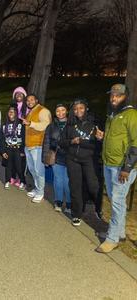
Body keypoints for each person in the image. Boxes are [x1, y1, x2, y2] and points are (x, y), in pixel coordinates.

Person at [95, 84, 137, 253]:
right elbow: (117, 138)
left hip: (122, 167)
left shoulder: (131, 115)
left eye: (118, 96)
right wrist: (102, 137)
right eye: (112, 95)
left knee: (118, 202)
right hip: (109, 163)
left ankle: (112, 239)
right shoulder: (113, 114)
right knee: (115, 200)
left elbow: (135, 143)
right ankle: (119, 233)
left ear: (125, 96)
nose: (113, 98)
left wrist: (127, 167)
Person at [60, 99, 99, 227]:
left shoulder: (94, 123)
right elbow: (62, 142)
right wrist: (72, 142)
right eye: (76, 109)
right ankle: (77, 214)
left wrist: (97, 140)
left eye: (81, 108)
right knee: (75, 187)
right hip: (72, 159)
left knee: (93, 185)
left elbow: (98, 143)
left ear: (86, 108)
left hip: (88, 159)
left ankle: (96, 207)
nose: (78, 111)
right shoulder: (70, 124)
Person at [22, 94, 52, 203]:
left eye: (31, 100)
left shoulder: (43, 111)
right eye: (27, 100)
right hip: (29, 146)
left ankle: (40, 192)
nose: (29, 102)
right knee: (32, 169)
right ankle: (37, 188)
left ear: (36, 100)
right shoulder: (31, 112)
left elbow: (46, 125)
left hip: (38, 145)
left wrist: (31, 123)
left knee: (39, 171)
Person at [42, 104, 71, 213]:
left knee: (68, 181)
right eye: (58, 110)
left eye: (63, 110)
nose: (60, 112)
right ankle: (58, 202)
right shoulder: (51, 126)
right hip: (56, 155)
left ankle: (69, 204)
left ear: (67, 111)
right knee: (58, 180)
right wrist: (45, 157)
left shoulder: (72, 124)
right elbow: (46, 142)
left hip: (70, 157)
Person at [0, 105, 25, 190]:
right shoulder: (4, 124)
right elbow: (1, 138)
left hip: (18, 149)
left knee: (19, 166)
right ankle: (7, 180)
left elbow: (24, 137)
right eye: (9, 111)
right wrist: (3, 151)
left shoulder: (21, 123)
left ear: (16, 113)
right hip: (8, 148)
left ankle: (22, 181)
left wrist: (22, 150)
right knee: (8, 166)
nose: (11, 112)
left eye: (13, 111)